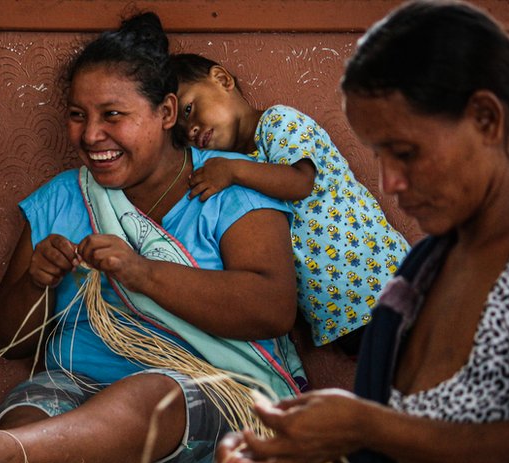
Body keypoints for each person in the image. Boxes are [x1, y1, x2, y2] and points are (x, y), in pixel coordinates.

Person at [0, 12, 306, 463]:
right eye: (77, 115)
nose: (91, 136)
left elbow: (273, 308)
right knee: (30, 411)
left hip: (207, 399)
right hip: (75, 389)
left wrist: (142, 272)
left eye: (113, 115)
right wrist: (35, 282)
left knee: (149, 396)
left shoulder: (232, 183)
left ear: (168, 112)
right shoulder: (60, 200)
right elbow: (10, 343)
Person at [213, 1, 509, 463]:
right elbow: (432, 446)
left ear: (487, 119)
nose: (389, 182)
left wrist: (366, 427)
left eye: (404, 152)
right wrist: (311, 457)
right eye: (378, 155)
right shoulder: (428, 269)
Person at [168, 53, 410, 354]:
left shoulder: (278, 122)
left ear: (221, 80)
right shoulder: (235, 166)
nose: (190, 129)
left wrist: (232, 171)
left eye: (190, 108)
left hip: (386, 285)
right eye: (180, 133)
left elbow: (300, 182)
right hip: (341, 321)